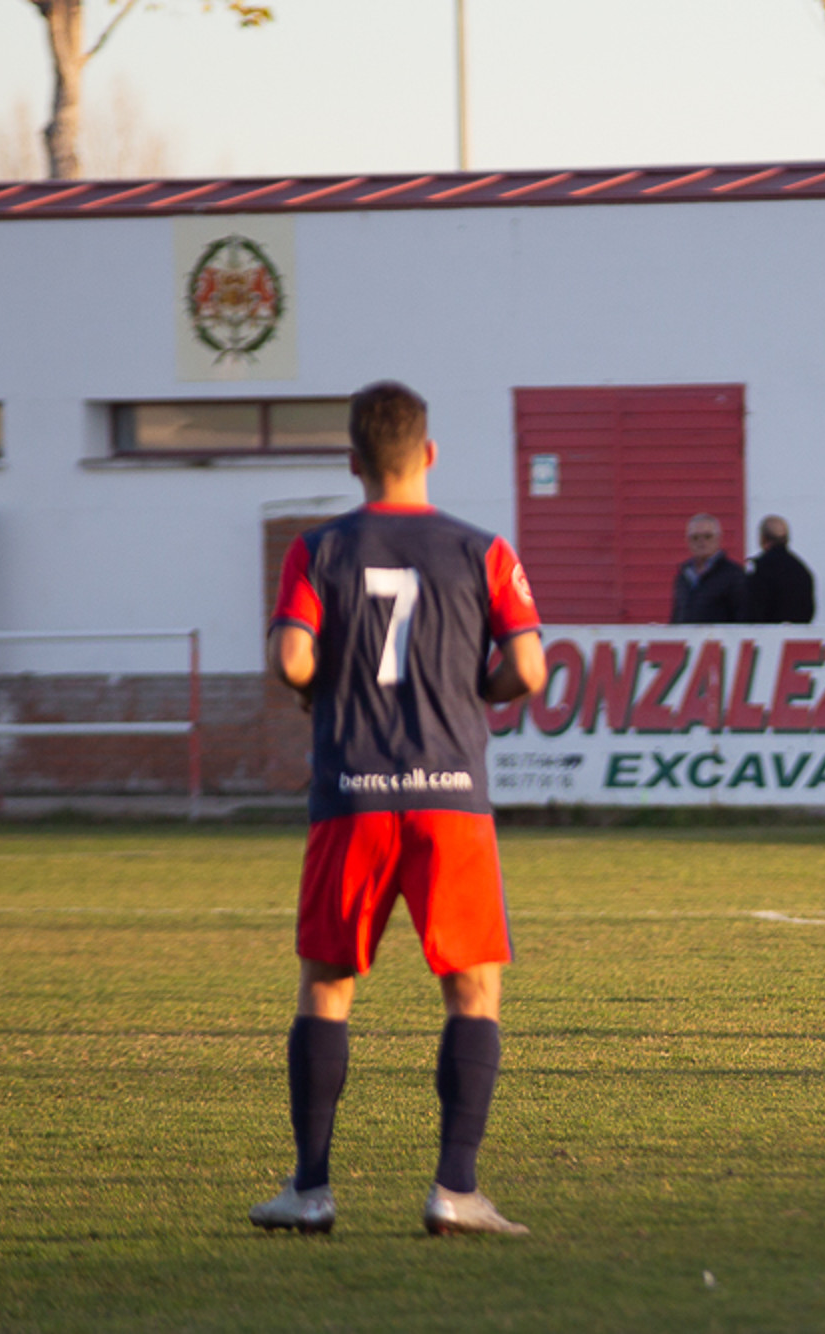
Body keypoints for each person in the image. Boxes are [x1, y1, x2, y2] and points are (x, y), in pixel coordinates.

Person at [250, 380, 547, 1236]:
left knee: (328, 985)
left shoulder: (317, 549)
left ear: (353, 463)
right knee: (472, 989)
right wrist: (470, 692)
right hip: (451, 795)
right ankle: (454, 1191)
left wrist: (327, 690)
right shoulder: (483, 549)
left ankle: (310, 1191)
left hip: (351, 789)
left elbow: (293, 659)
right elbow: (526, 671)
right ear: (429, 454)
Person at [670, 513, 748, 623]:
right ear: (687, 541)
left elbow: (742, 617)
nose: (701, 542)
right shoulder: (683, 575)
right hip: (689, 639)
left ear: (718, 538)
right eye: (695, 537)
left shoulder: (733, 575)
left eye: (708, 536)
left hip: (718, 639)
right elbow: (677, 615)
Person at [745, 514, 816, 624]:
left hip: (765, 636)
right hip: (795, 637)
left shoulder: (761, 568)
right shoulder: (802, 570)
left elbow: (753, 609)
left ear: (762, 538)